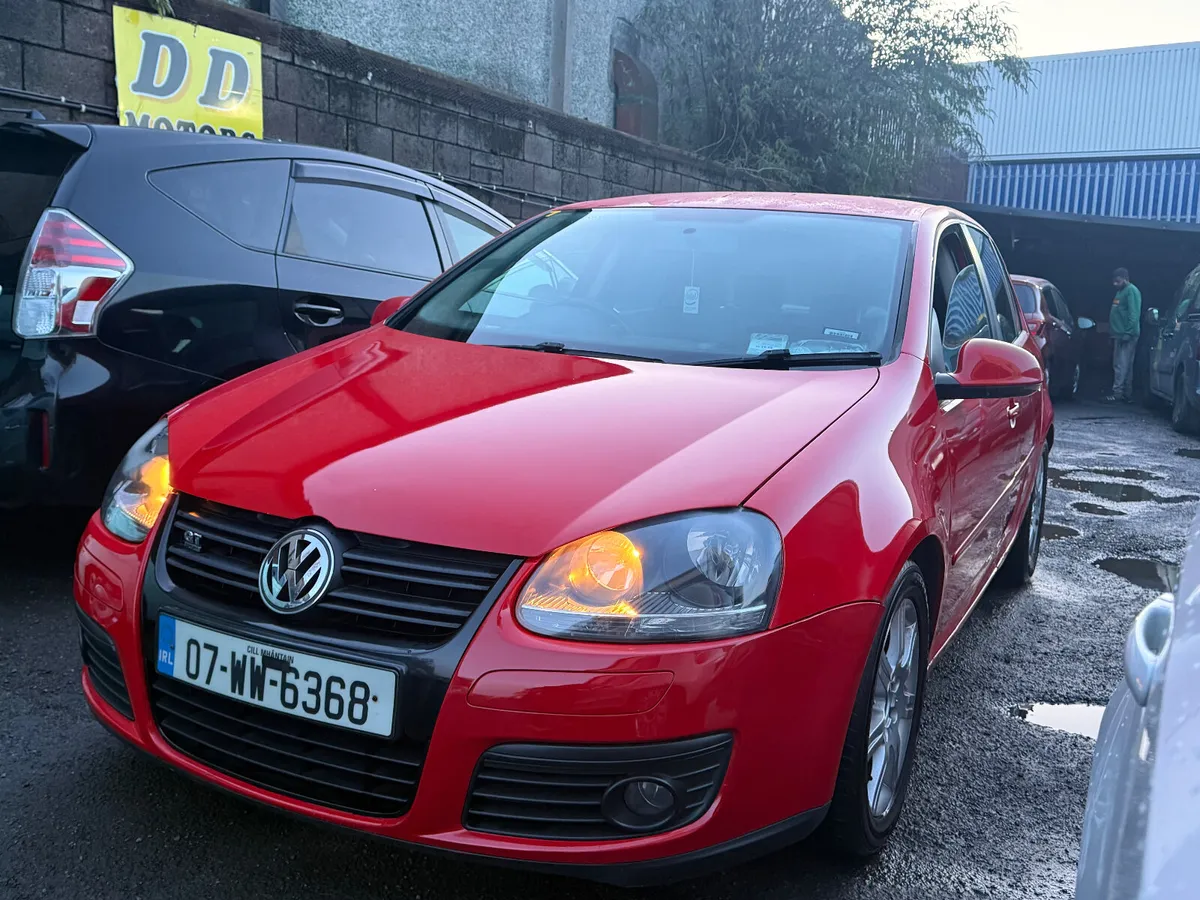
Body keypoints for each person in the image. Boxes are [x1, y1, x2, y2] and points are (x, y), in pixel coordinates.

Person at [1108, 267, 1142, 402]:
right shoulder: (1121, 292)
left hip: (1126, 335)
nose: (1114, 284)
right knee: (1124, 364)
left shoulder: (1131, 291)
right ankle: (1126, 393)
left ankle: (1118, 393)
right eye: (1114, 281)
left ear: (1125, 279)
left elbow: (1134, 314)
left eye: (1117, 281)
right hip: (1119, 334)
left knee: (1121, 364)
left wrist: (1128, 333)